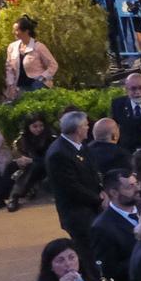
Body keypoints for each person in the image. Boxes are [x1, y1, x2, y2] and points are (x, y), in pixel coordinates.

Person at [46, 109, 103, 260]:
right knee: (88, 255)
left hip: (92, 206)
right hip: (78, 214)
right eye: (86, 125)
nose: (88, 128)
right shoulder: (58, 154)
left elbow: (93, 171)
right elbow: (72, 188)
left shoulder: (81, 146)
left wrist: (102, 191)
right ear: (78, 129)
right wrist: (99, 199)